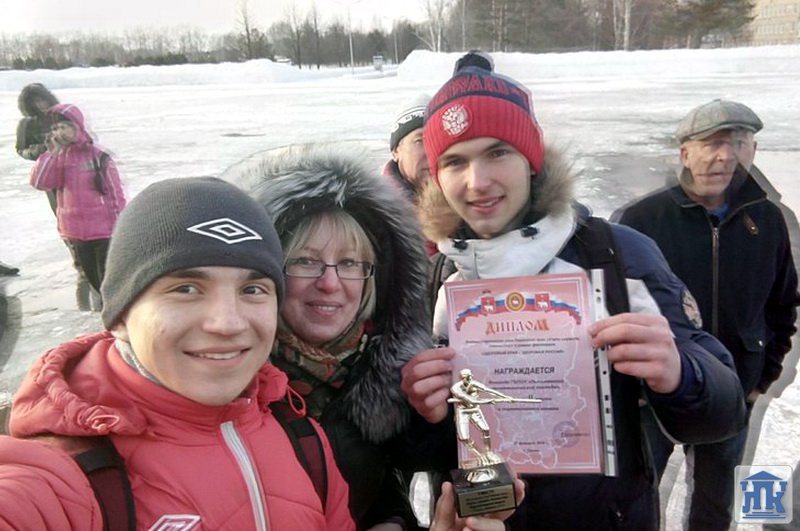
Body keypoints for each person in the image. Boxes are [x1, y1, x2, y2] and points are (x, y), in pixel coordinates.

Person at [400, 51, 747, 530]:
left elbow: (723, 413)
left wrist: (680, 373)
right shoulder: (437, 276)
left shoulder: (616, 255)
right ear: (436, 176)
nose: (477, 182)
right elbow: (417, 450)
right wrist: (423, 412)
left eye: (498, 153)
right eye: (455, 161)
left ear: (531, 158)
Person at [0, 177, 355, 529]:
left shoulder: (300, 435)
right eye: (186, 288)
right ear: (121, 316)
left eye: (252, 289)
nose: (228, 323)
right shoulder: (63, 476)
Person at [233, 144, 455, 530]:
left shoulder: (382, 374)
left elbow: (380, 482)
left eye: (350, 263)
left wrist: (437, 420)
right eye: (305, 261)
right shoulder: (229, 387)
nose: (330, 283)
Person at [615, 99, 800, 531]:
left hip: (733, 389)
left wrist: (762, 376)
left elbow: (782, 304)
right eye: (713, 144)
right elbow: (609, 305)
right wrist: (632, 387)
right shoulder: (641, 219)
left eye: (739, 143)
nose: (726, 156)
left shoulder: (769, 219)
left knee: (715, 507)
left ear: (753, 151)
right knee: (637, 499)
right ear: (685, 153)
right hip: (653, 396)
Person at [30, 103, 126, 297]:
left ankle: (114, 309)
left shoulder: (99, 157)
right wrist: (51, 154)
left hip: (103, 231)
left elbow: (116, 194)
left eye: (65, 127)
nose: (60, 132)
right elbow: (40, 182)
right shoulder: (58, 159)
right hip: (75, 231)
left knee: (109, 282)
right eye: (56, 128)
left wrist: (121, 225)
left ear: (77, 127)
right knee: (94, 281)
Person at [386, 93, 432, 202]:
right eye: (420, 141)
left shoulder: (461, 200)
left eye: (438, 140)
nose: (432, 151)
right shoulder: (374, 205)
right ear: (396, 151)